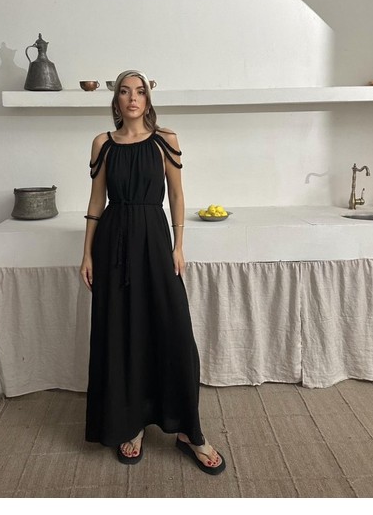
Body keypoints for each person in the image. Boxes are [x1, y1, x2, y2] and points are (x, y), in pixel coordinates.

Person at [80, 70, 225, 475]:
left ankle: (189, 431)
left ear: (147, 98)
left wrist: (179, 245)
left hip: (156, 241)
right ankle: (132, 424)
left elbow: (176, 194)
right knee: (122, 333)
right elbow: (96, 201)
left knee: (174, 330)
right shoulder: (102, 143)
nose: (132, 98)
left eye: (139, 91)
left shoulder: (165, 140)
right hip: (112, 244)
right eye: (125, 92)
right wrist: (87, 253)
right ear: (116, 100)